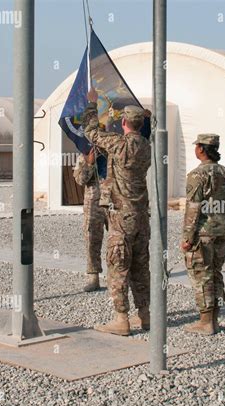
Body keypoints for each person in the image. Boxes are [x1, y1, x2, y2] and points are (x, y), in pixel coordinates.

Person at [83, 87, 152, 336]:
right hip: (141, 216)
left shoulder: (118, 144)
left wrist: (92, 105)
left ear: (123, 122)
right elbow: (147, 129)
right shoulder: (145, 146)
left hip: (121, 217)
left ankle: (121, 319)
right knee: (141, 267)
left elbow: (90, 132)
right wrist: (148, 117)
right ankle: (144, 315)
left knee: (118, 266)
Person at [181, 134, 225, 335]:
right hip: (223, 231)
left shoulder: (197, 175)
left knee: (201, 275)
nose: (195, 149)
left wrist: (188, 237)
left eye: (197, 146)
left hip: (204, 233)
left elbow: (193, 208)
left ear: (202, 149)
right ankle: (214, 318)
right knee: (216, 273)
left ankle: (205, 322)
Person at [73, 147, 107, 292]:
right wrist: (90, 163)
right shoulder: (86, 153)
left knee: (119, 239)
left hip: (114, 200)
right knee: (91, 237)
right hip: (94, 202)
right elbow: (80, 179)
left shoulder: (116, 149)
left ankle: (118, 276)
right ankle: (94, 276)